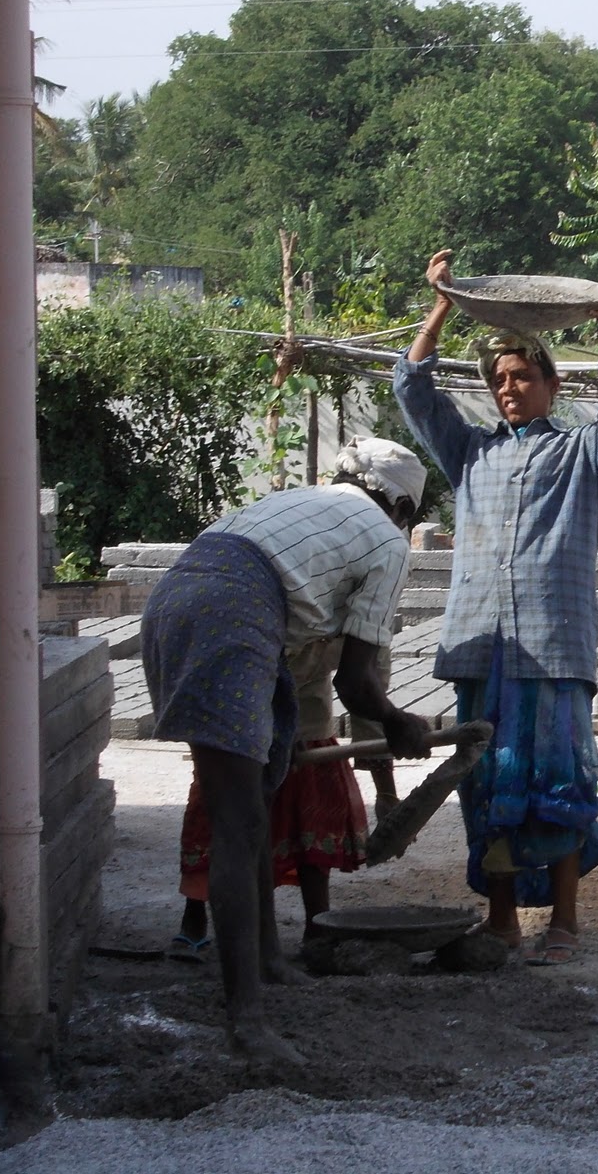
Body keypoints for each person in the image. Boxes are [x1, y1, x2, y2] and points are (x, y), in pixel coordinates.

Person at [394, 249, 598, 967]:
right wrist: (442, 304)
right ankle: (502, 920)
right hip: (481, 644)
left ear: (549, 383)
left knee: (558, 779)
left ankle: (564, 923)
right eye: (499, 381)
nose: (509, 390)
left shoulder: (584, 455)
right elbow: (413, 390)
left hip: (553, 646)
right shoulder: (471, 455)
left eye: (522, 377)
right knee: (489, 781)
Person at [139, 443, 431, 1061]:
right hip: (235, 614)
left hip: (176, 600)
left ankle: (268, 961)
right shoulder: (386, 541)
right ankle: (246, 1025)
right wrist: (398, 721)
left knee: (256, 804)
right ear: (402, 505)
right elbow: (356, 682)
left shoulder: (299, 502)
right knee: (238, 824)